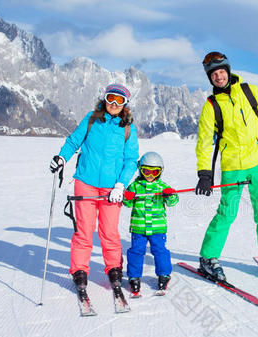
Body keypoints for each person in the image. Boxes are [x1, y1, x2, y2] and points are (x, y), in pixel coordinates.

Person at [194, 51, 258, 281]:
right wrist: (205, 173)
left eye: (221, 72)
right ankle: (208, 257)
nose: (218, 77)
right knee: (226, 213)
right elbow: (205, 143)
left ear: (227, 71)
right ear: (210, 78)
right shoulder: (211, 106)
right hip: (233, 166)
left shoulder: (251, 91)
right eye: (213, 75)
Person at [49, 83, 139, 300]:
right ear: (105, 99)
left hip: (111, 188)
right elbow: (73, 142)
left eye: (119, 100)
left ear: (125, 104)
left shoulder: (128, 128)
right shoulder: (91, 119)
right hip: (86, 182)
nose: (114, 104)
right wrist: (62, 157)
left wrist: (121, 185)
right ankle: (79, 270)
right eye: (111, 99)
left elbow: (130, 160)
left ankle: (114, 269)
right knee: (84, 230)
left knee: (109, 231)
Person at [122, 152, 179, 296]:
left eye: (155, 172)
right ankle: (134, 276)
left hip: (157, 228)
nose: (150, 175)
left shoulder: (162, 186)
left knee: (160, 250)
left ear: (160, 172)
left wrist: (170, 195)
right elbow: (127, 203)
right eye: (146, 171)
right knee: (136, 251)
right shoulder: (135, 186)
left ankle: (164, 274)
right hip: (139, 227)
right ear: (140, 170)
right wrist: (127, 197)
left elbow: (173, 201)